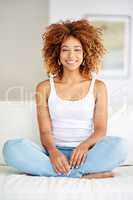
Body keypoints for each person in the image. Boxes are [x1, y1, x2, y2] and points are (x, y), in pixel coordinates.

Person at [3, 19, 127, 179]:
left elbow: (100, 130)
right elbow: (45, 131)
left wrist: (83, 147)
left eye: (77, 50)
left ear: (85, 53)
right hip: (52, 154)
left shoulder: (98, 87)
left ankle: (55, 172)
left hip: (86, 154)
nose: (71, 56)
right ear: (57, 53)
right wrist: (54, 153)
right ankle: (81, 174)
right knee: (11, 148)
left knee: (120, 146)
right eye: (65, 50)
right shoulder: (44, 87)